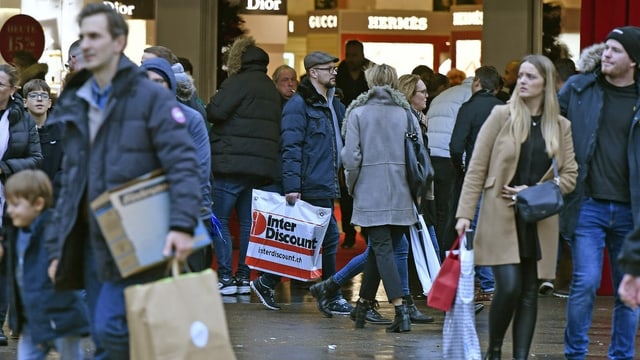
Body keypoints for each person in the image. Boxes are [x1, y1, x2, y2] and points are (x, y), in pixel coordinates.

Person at [44, 4, 202, 359]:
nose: (87, 45)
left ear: (118, 42)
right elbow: (72, 181)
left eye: (95, 36)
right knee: (105, 332)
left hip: (139, 232)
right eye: (83, 36)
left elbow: (183, 163)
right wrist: (57, 248)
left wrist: (181, 225)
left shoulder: (149, 97)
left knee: (112, 328)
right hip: (91, 238)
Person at [455, 54, 578, 359]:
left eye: (530, 77)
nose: (522, 81)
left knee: (528, 294)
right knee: (508, 287)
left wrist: (535, 190)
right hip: (501, 214)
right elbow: (476, 168)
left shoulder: (559, 126)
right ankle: (495, 349)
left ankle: (520, 356)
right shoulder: (501, 115)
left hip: (538, 218)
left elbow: (571, 175)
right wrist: (464, 215)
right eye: (520, 75)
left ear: (546, 84)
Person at [559, 26, 640, 360]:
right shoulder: (579, 88)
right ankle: (574, 354)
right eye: (605, 48)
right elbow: (551, 128)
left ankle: (620, 356)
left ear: (634, 60)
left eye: (616, 50)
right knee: (586, 282)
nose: (606, 54)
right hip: (587, 203)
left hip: (631, 212)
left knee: (629, 291)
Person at [252, 51, 352, 315]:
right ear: (313, 73)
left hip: (324, 180)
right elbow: (291, 147)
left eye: (334, 68)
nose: (333, 72)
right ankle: (330, 294)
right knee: (326, 238)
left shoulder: (333, 102)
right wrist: (292, 185)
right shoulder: (299, 105)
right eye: (328, 68)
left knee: (308, 239)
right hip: (310, 182)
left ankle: (266, 281)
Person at [341, 64, 417, 333]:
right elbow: (418, 153)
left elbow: (351, 159)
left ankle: (400, 309)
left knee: (381, 248)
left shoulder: (358, 113)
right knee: (380, 248)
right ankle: (363, 305)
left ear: (369, 82)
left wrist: (352, 187)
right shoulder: (405, 113)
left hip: (370, 191)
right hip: (401, 191)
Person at [207, 36, 281, 297]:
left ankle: (225, 277)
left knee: (220, 220)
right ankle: (243, 276)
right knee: (248, 225)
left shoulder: (237, 83)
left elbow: (214, 112)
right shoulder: (271, 89)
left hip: (230, 164)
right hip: (259, 170)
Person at [4, 169, 89, 360]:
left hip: (61, 317)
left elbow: (68, 251)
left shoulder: (53, 228)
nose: (10, 210)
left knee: (71, 356)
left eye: (16, 205)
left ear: (38, 204)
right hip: (31, 318)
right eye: (8, 204)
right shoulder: (14, 232)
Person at [140, 57, 213, 272]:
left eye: (159, 81)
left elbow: (199, 171)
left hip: (190, 213)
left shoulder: (191, 119)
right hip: (143, 216)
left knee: (188, 291)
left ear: (170, 84)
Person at [449, 66, 504, 301]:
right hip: (503, 176)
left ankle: (486, 283)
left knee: (473, 229)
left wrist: (462, 168)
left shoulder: (469, 108)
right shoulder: (504, 109)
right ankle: (498, 281)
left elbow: (455, 146)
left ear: (478, 82)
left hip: (478, 174)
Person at [0, 64, 43, 346]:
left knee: (4, 263)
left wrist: (5, 167)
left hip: (9, 197)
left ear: (13, 89)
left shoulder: (21, 118)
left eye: (1, 84)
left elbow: (36, 158)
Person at [426, 74, 473, 259]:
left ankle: (433, 256)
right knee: (448, 212)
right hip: (449, 159)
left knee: (435, 212)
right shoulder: (470, 98)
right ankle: (444, 258)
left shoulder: (442, 96)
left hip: (431, 157)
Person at [336, 40, 372, 249]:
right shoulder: (339, 72)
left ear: (362, 54)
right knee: (345, 185)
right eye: (348, 55)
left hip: (367, 133)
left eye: (355, 55)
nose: (351, 60)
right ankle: (349, 232)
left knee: (365, 184)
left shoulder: (370, 71)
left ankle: (366, 230)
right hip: (344, 131)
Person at [22, 79, 64, 199]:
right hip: (24, 197)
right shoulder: (16, 130)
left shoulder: (62, 129)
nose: (39, 99)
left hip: (54, 197)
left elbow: (67, 166)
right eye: (34, 95)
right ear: (25, 102)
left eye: (44, 96)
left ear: (49, 103)